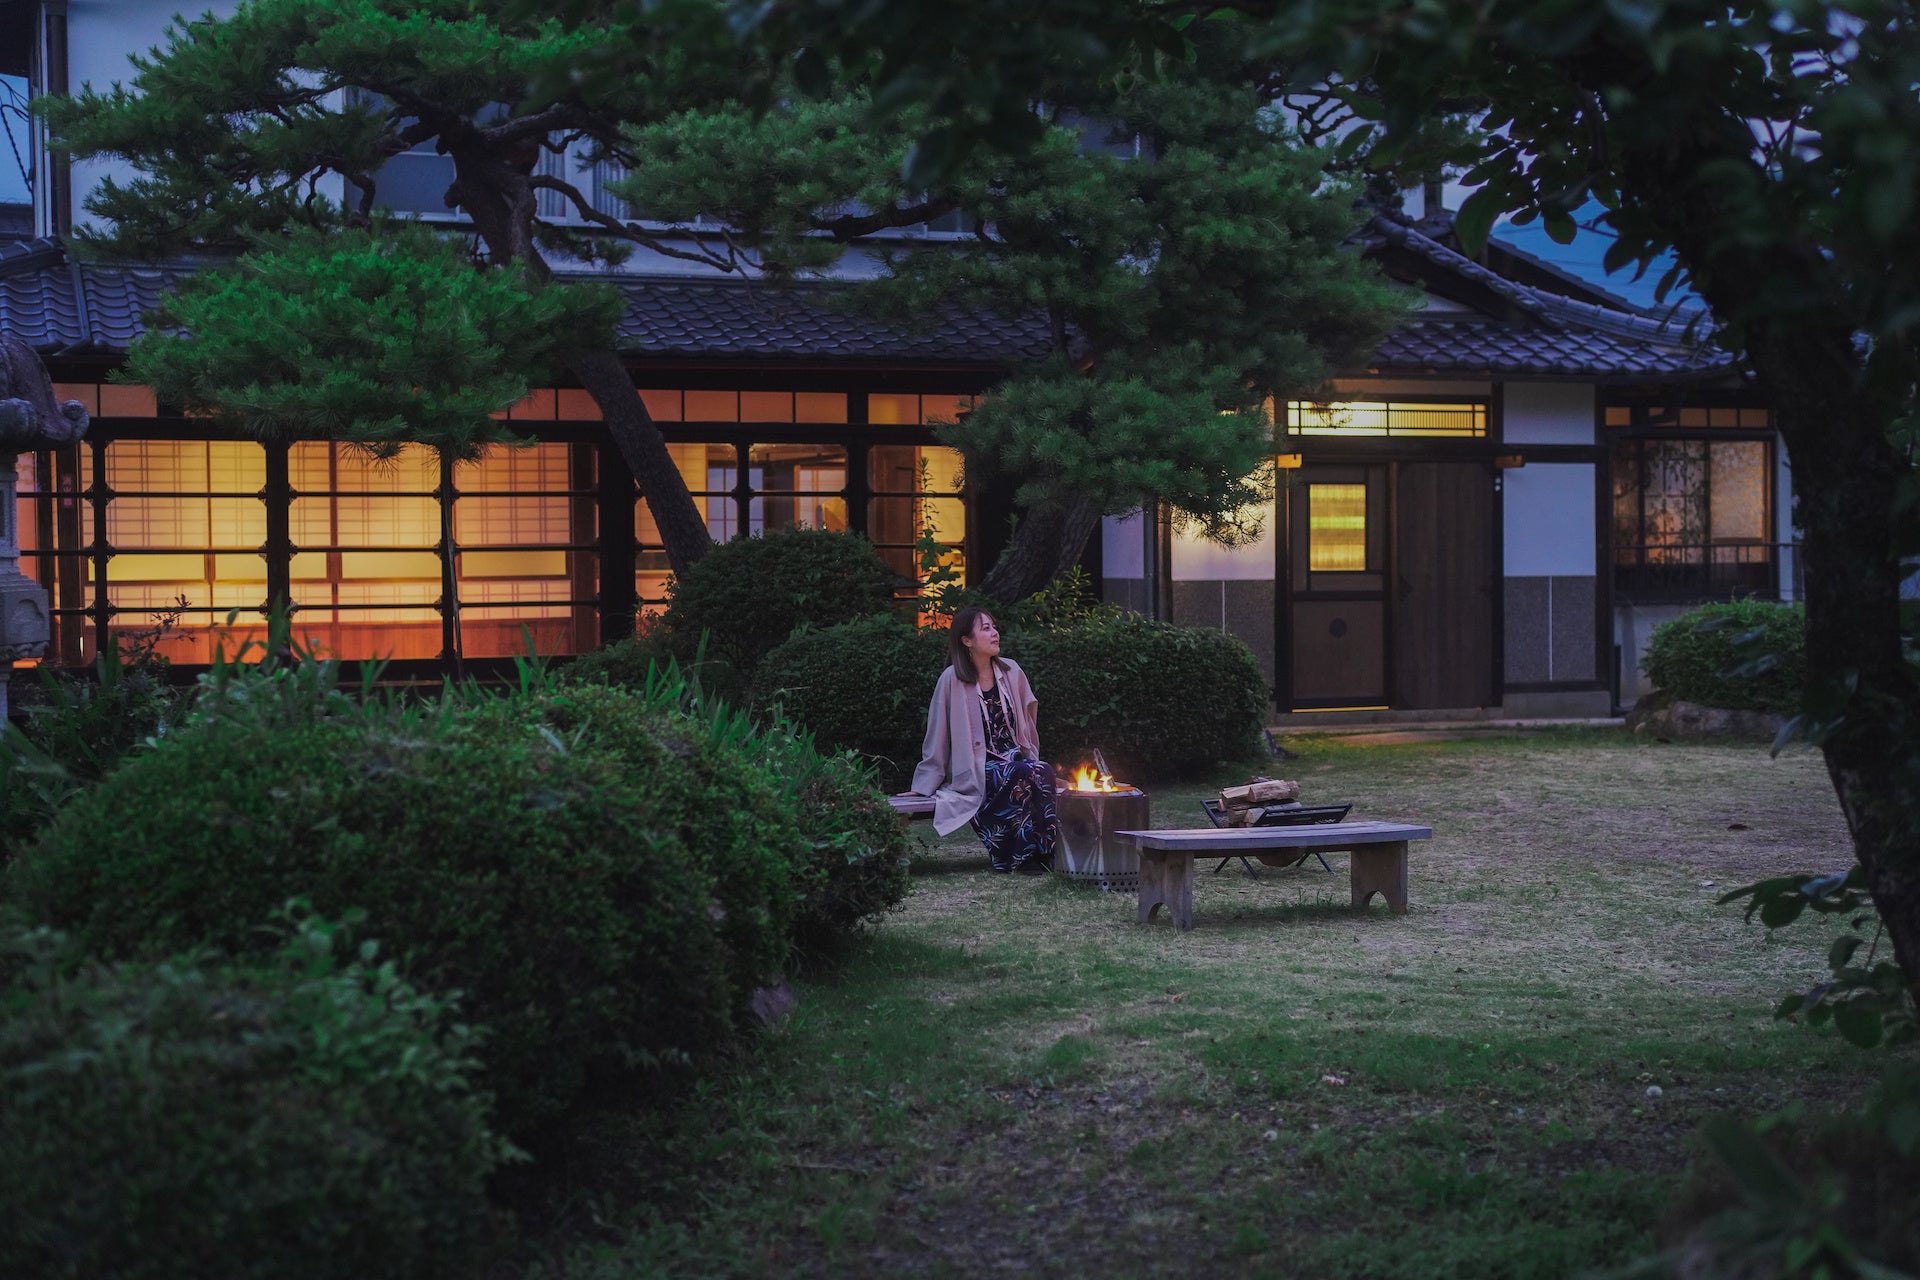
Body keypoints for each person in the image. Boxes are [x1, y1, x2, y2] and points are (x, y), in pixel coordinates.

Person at [901, 607, 1059, 875]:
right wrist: (924, 785)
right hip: (976, 767)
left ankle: (1048, 851)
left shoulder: (1012, 671)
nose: (995, 633)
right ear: (967, 640)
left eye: (994, 627)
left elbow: (1027, 719)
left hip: (1014, 759)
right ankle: (1017, 857)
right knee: (1017, 772)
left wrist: (1031, 755)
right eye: (986, 628)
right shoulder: (951, 679)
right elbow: (936, 736)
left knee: (1041, 769)